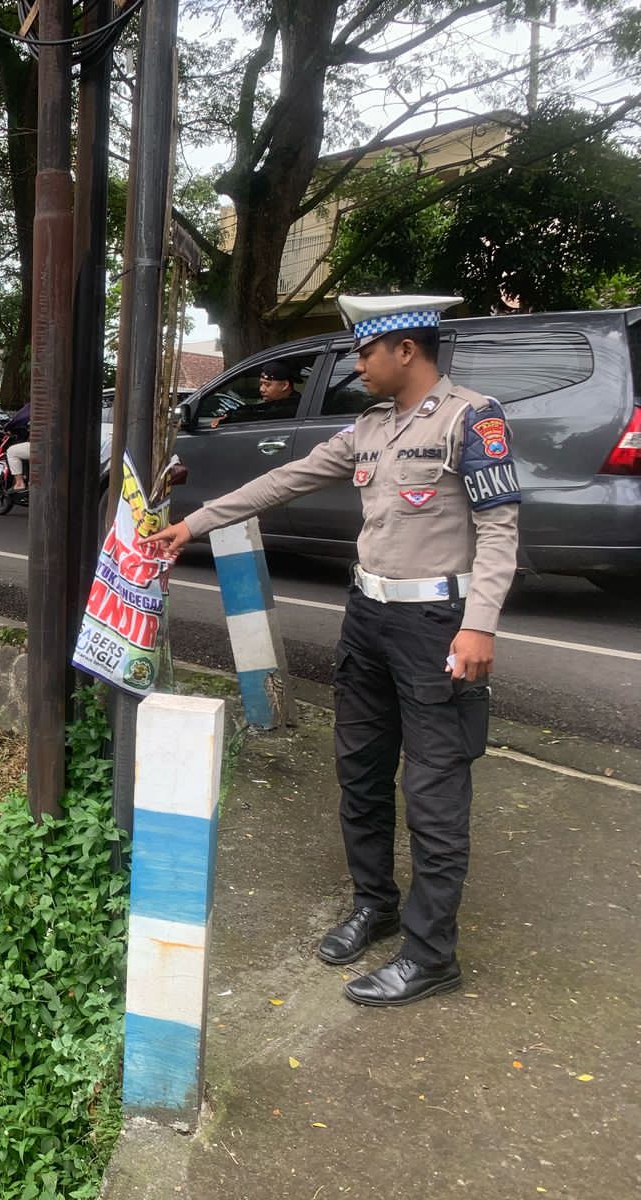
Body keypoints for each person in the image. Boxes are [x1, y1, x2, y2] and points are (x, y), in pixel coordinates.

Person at [149, 294, 521, 1008]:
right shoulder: (371, 427)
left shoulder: (473, 418)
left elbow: (500, 528)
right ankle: (373, 903)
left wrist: (480, 624)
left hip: (438, 625)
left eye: (365, 352)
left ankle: (430, 952)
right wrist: (190, 525)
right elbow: (284, 478)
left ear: (404, 350)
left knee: (435, 792)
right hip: (369, 617)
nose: (358, 365)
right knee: (359, 771)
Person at [211, 361, 300, 427]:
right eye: (261, 384)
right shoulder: (280, 402)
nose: (261, 389)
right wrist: (231, 414)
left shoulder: (295, 406)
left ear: (284, 385)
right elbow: (260, 408)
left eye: (267, 385)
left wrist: (231, 418)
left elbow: (262, 415)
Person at [3, 402, 31, 490]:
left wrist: (7, 428)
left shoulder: (35, 405)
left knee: (11, 451)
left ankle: (19, 483)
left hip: (40, 446)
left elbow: (18, 419)